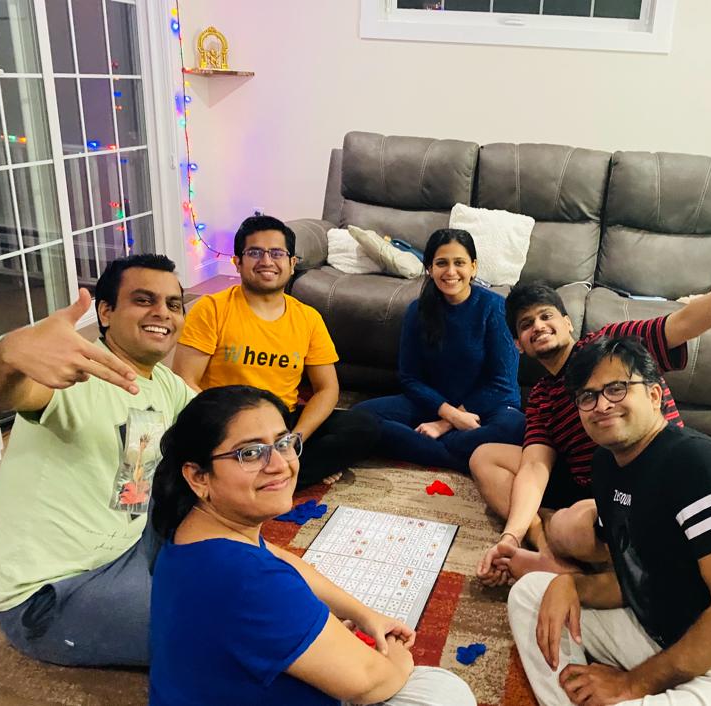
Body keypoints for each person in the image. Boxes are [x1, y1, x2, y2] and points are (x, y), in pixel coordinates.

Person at [474, 220, 711, 585]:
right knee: (485, 457)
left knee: (574, 525)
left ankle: (605, 562)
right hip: (588, 483)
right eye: (526, 325)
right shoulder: (543, 395)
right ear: (519, 344)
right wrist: (510, 537)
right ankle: (546, 549)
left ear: (567, 322)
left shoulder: (615, 345)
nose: (538, 326)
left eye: (546, 316)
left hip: (644, 484)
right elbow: (534, 467)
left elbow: (687, 320)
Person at [507, 336, 711, 706]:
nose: (601, 405)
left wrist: (632, 684)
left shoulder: (699, 465)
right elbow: (639, 581)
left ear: (656, 396)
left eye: (616, 388)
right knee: (531, 594)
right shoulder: (607, 465)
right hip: (667, 637)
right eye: (587, 397)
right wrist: (573, 586)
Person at [148, 385, 476, 706]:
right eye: (250, 453)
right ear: (198, 477)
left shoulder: (193, 530)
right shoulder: (247, 578)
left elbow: (276, 555)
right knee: (443, 689)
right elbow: (371, 682)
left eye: (283, 443)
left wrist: (363, 614)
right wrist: (398, 656)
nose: (278, 464)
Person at [0, 254, 195, 666]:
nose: (162, 313)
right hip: (51, 593)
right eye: (144, 300)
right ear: (106, 312)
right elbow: (0, 393)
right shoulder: (76, 376)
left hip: (131, 545)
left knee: (236, 568)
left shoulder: (163, 382)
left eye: (173, 304)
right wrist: (8, 355)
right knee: (220, 633)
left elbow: (212, 422)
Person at [172, 215, 379, 488]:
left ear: (292, 264)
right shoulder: (211, 309)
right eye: (254, 252)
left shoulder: (308, 318)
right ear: (238, 261)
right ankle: (283, 478)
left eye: (277, 253)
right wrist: (229, 427)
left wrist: (293, 441)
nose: (266, 261)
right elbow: (184, 381)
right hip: (226, 422)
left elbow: (327, 389)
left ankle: (262, 477)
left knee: (365, 426)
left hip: (282, 424)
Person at [354, 229, 524, 473]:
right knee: (362, 416)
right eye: (442, 263)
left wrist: (443, 425)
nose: (451, 272)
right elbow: (410, 378)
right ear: (429, 269)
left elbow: (501, 383)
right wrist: (450, 416)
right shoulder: (417, 310)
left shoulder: (495, 308)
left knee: (515, 428)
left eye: (460, 263)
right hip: (435, 404)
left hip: (487, 409)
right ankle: (462, 458)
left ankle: (428, 448)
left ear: (473, 267)